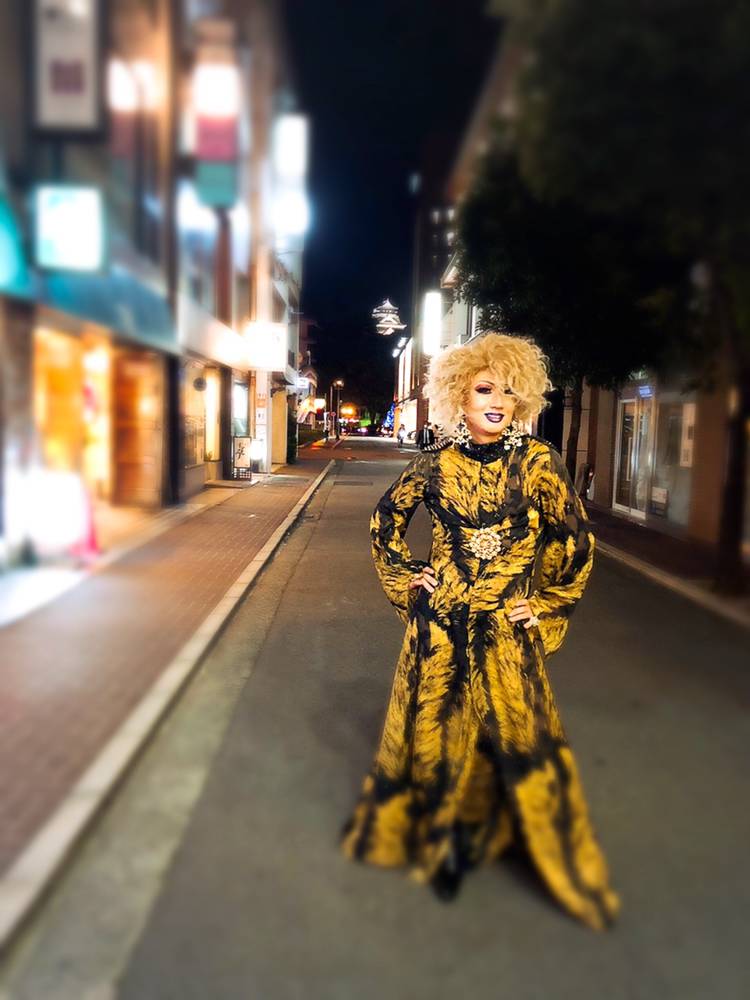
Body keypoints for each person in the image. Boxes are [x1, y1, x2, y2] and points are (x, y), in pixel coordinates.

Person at [340, 332, 620, 932]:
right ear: (459, 396)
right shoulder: (435, 462)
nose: (497, 401)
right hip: (441, 625)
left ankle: (535, 843)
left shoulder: (539, 462)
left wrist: (544, 604)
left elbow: (574, 539)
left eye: (509, 392)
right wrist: (410, 577)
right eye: (485, 389)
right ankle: (442, 845)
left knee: (521, 734)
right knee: (437, 734)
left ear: (523, 400)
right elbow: (385, 521)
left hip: (504, 626)